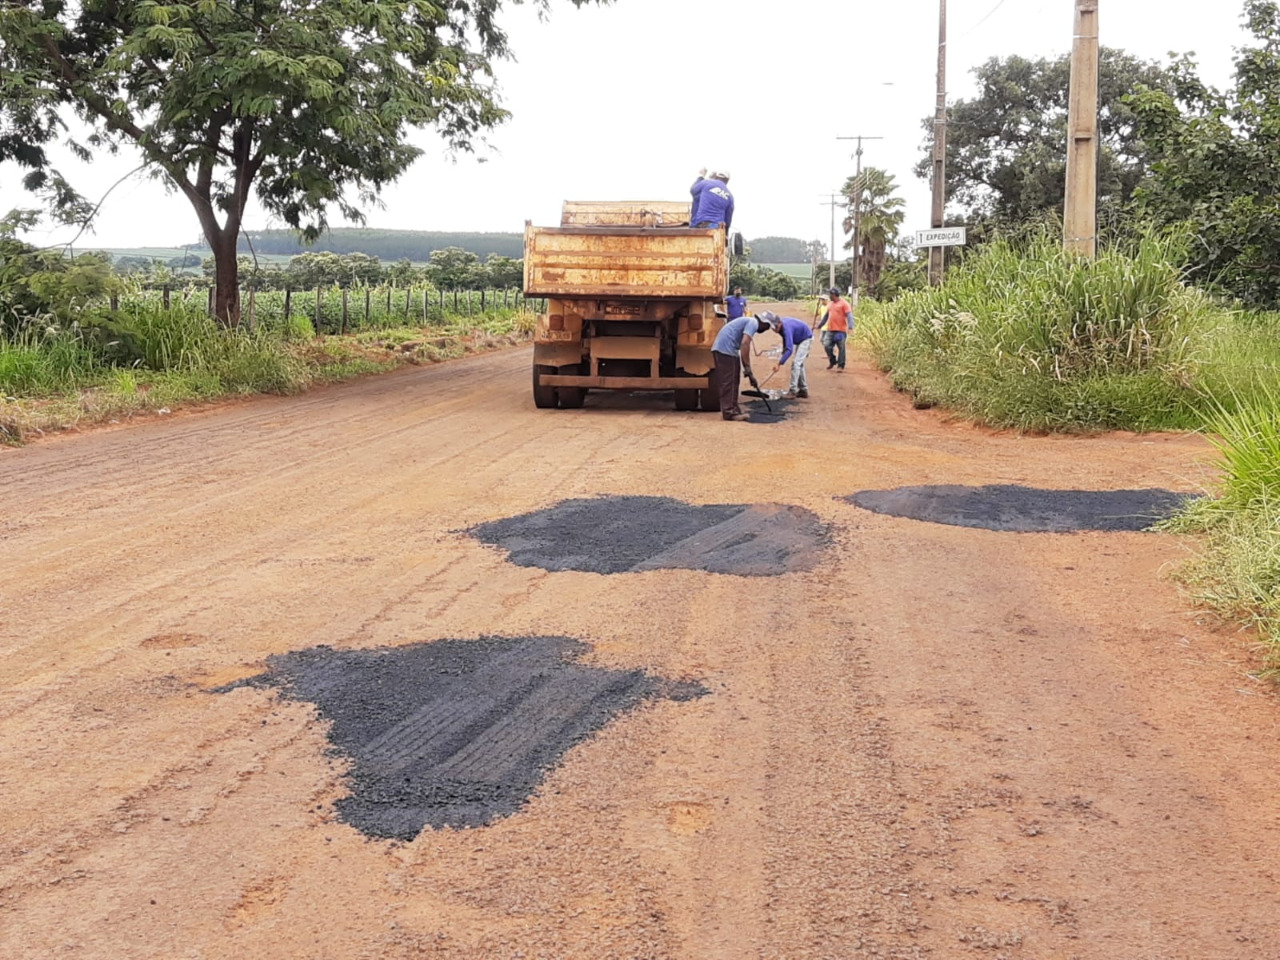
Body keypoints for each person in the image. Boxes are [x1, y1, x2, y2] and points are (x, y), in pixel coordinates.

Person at [711, 312, 771, 421]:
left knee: (733, 380)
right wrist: (748, 368)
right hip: (726, 350)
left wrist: (748, 371)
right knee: (729, 382)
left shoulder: (748, 321)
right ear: (764, 323)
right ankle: (730, 412)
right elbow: (745, 343)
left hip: (723, 349)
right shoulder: (753, 323)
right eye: (768, 327)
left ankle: (733, 408)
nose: (767, 330)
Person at [765, 312, 814, 399]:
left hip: (806, 338)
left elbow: (789, 349)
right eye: (773, 328)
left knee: (796, 364)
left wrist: (779, 363)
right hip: (801, 337)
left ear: (779, 324)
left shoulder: (786, 328)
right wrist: (784, 350)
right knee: (799, 364)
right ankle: (803, 390)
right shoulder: (781, 326)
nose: (775, 330)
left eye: (775, 327)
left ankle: (793, 391)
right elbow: (785, 340)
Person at [815, 286, 853, 371]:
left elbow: (849, 316)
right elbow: (826, 316)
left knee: (841, 348)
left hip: (840, 330)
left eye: (830, 294)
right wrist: (820, 325)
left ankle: (841, 365)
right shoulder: (830, 304)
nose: (829, 296)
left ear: (834, 295)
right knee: (826, 345)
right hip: (830, 330)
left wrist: (850, 327)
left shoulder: (844, 304)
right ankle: (832, 360)